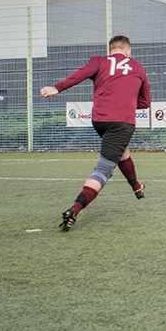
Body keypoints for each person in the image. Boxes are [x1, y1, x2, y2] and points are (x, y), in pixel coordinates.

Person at [41, 35, 151, 231]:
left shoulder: (98, 61)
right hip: (122, 122)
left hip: (99, 120)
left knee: (122, 152)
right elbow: (145, 103)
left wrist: (56, 88)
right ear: (128, 51)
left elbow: (81, 74)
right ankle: (75, 209)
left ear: (111, 50)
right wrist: (127, 102)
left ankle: (136, 186)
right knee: (103, 170)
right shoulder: (138, 66)